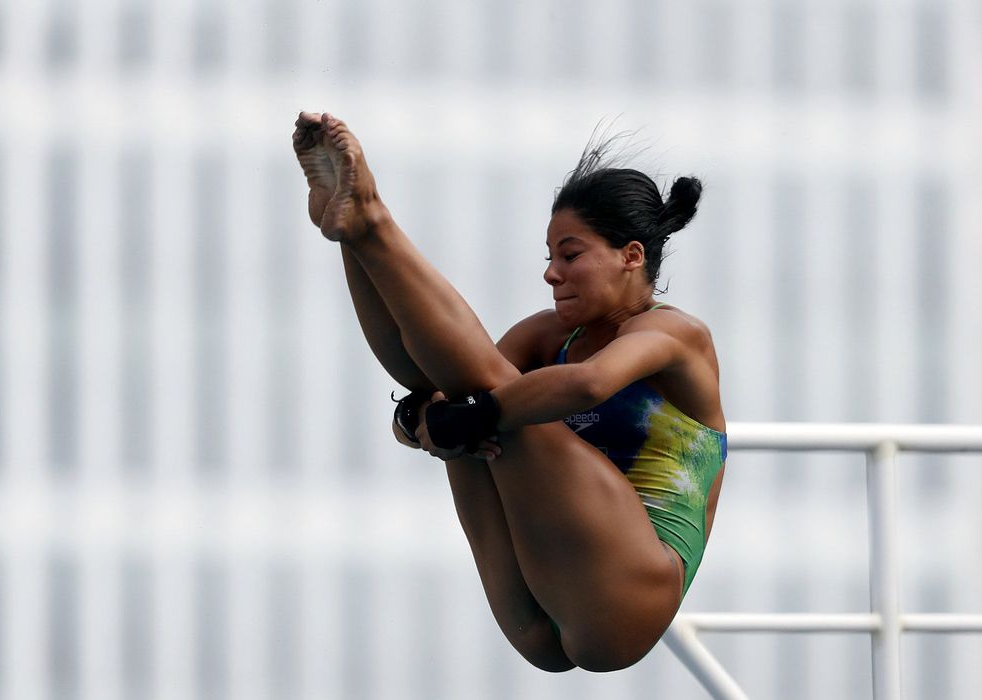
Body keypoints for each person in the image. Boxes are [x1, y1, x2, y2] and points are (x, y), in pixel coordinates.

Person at [292, 112, 726, 673]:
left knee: (497, 398)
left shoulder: (675, 333)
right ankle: (354, 235)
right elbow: (444, 393)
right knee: (467, 389)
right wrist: (424, 417)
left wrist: (475, 412)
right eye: (549, 258)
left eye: (570, 256)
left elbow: (589, 385)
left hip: (629, 599)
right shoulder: (551, 334)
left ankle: (373, 220)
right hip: (539, 615)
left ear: (632, 256)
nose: (551, 274)